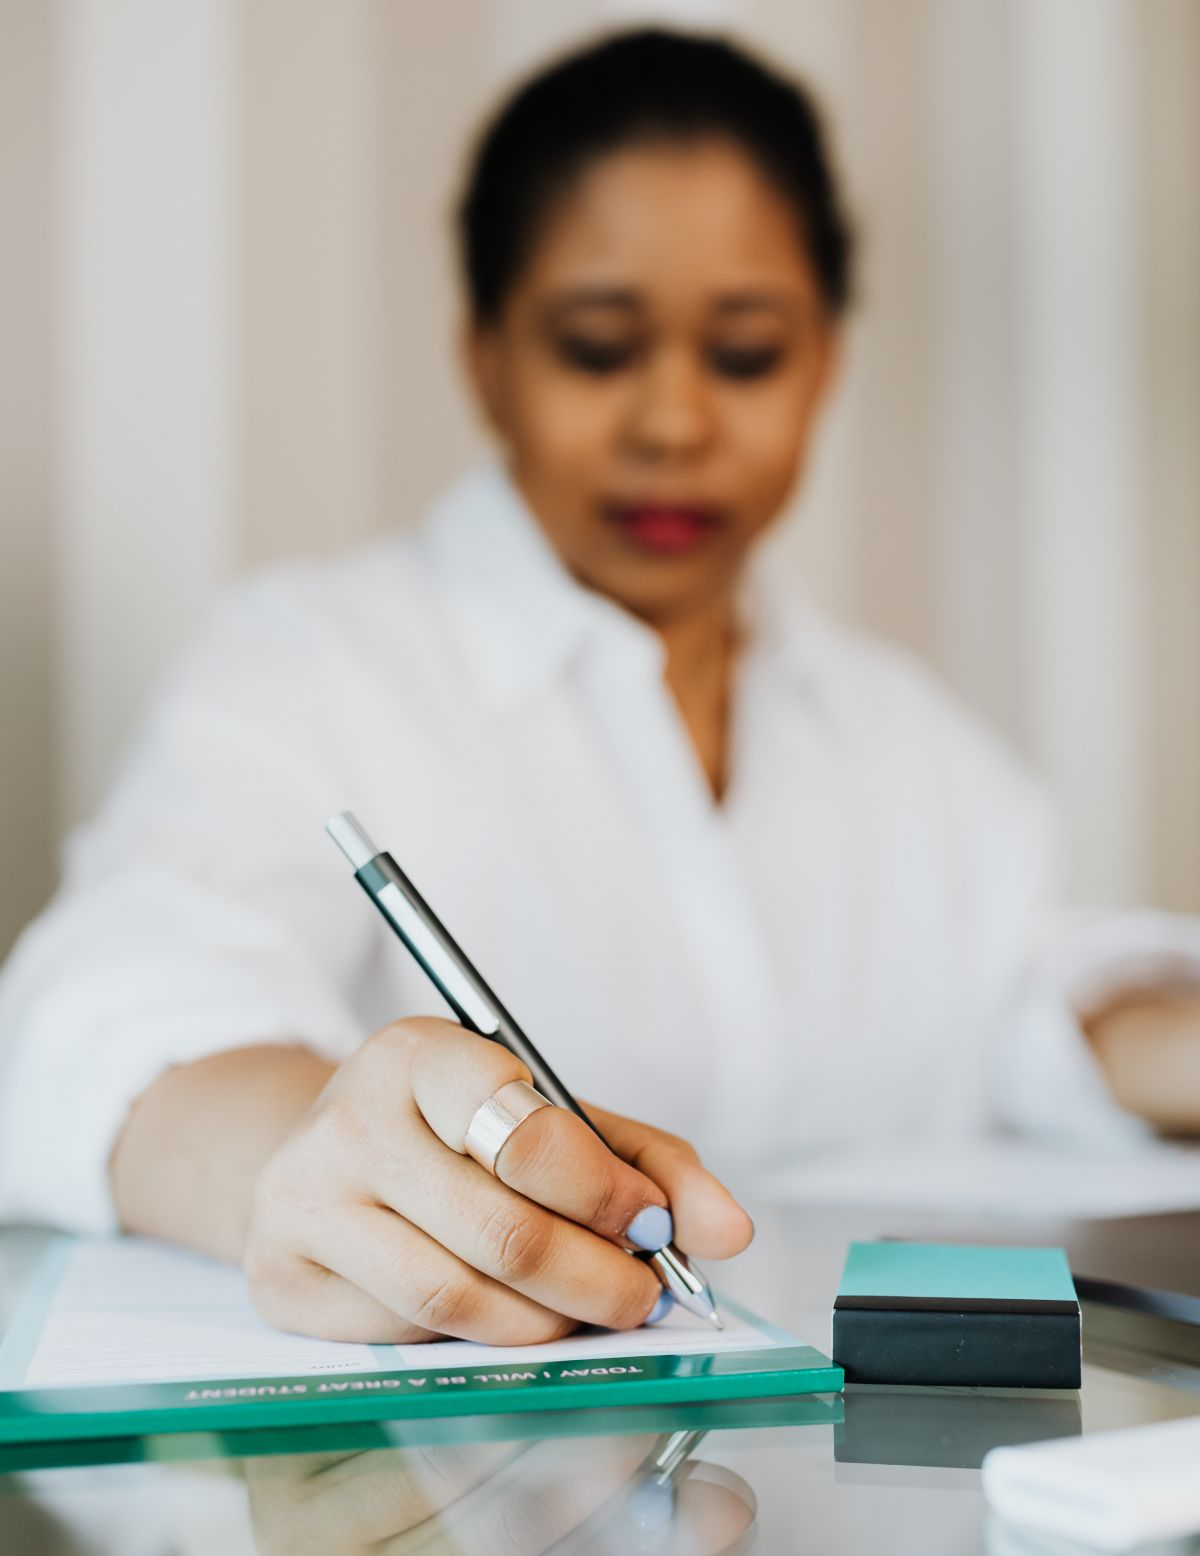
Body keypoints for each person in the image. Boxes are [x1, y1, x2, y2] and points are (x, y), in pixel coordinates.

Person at [0, 29, 1197, 1346]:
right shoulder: (309, 668)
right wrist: (309, 1151)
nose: (674, 422)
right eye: (595, 347)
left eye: (744, 354)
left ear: (825, 365)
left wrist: (1152, 1037)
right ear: (485, 357)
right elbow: (95, 1021)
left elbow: (1028, 1002)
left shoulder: (915, 745)